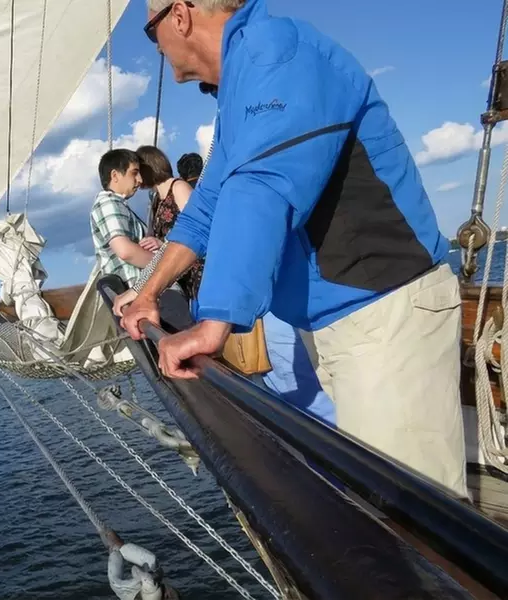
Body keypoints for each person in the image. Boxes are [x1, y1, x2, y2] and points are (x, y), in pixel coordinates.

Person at [119, 0, 467, 498]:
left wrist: (213, 324)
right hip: (339, 322)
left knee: (416, 520)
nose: (155, 48)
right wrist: (149, 290)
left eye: (151, 34)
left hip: (384, 312)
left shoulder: (277, 56)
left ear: (179, 16)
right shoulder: (242, 84)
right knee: (371, 503)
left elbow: (262, 186)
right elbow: (209, 205)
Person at [133, 145, 335, 425]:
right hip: (202, 293)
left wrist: (144, 291)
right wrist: (144, 290)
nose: (135, 178)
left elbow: (202, 229)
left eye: (136, 169)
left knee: (286, 368)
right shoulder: (155, 200)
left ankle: (323, 438)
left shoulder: (180, 188)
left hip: (223, 287)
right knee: (268, 372)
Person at [90, 149, 162, 287]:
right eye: (134, 173)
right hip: (143, 293)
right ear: (115, 175)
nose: (140, 180)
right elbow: (125, 251)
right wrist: (167, 263)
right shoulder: (108, 203)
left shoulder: (117, 205)